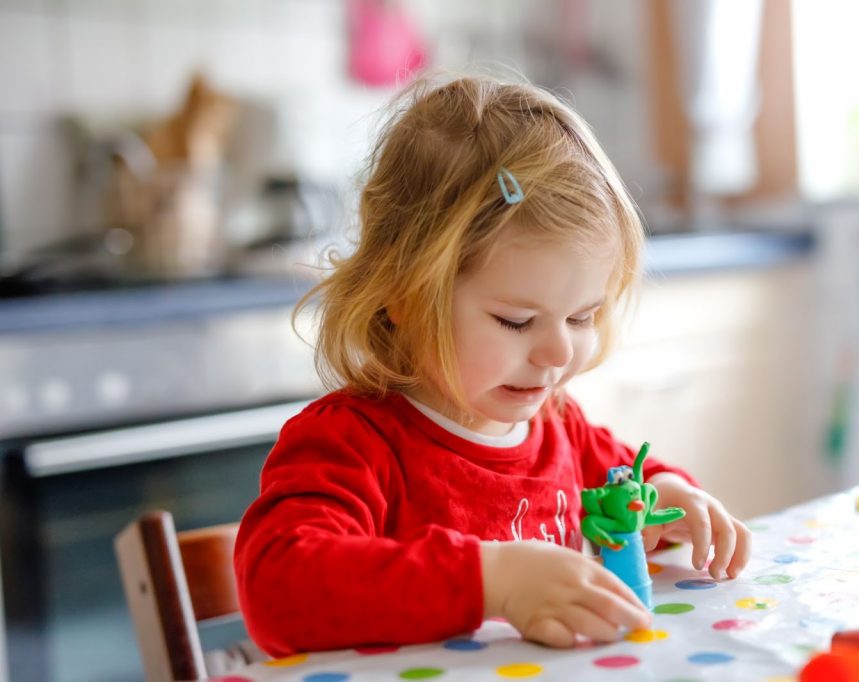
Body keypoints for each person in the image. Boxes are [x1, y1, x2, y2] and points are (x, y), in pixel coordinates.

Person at [234, 72, 751, 657]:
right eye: (515, 320)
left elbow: (632, 490)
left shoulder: (561, 429)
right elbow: (278, 590)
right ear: (402, 295)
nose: (558, 354)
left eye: (582, 318)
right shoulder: (351, 445)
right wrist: (492, 581)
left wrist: (667, 497)